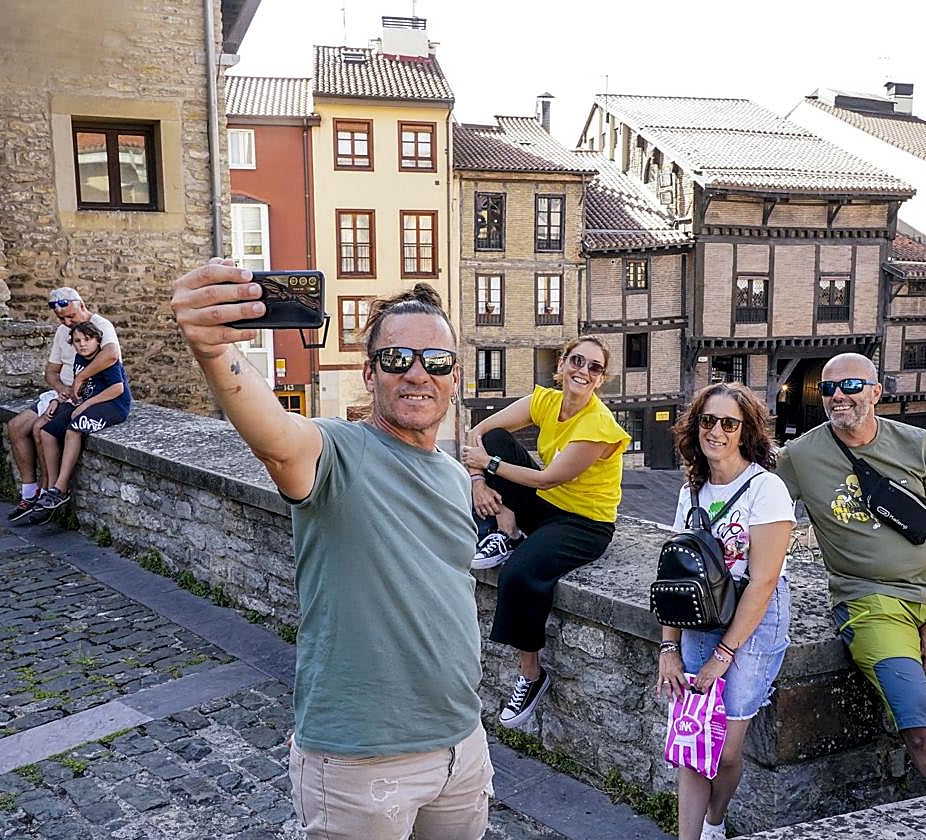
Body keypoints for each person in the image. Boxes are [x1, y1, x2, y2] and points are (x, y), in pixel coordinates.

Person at [171, 260, 492, 840]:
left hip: (460, 745)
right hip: (363, 761)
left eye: (436, 361)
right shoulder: (339, 452)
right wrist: (215, 353)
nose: (417, 374)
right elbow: (277, 441)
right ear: (370, 375)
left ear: (455, 376)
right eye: (397, 360)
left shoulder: (451, 474)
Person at [774, 352, 926, 792]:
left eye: (850, 385)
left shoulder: (919, 445)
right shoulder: (800, 456)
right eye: (828, 389)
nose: (837, 396)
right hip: (869, 603)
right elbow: (762, 512)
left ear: (876, 392)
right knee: (921, 730)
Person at [460, 335, 630, 728]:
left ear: (601, 379)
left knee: (520, 573)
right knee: (499, 439)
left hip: (584, 524)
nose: (583, 371)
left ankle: (531, 676)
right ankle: (507, 527)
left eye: (594, 367)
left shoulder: (598, 426)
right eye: (577, 361)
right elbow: (479, 433)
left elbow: (548, 479)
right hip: (546, 508)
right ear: (562, 364)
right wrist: (478, 481)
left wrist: (490, 467)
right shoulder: (547, 401)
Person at [656, 383, 794, 840]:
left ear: (745, 431)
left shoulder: (765, 488)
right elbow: (677, 580)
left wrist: (725, 654)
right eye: (707, 421)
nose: (716, 431)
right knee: (695, 744)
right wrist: (668, 648)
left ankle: (715, 821)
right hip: (702, 621)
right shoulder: (690, 492)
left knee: (728, 751)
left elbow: (764, 581)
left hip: (754, 626)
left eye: (728, 423)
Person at [6, 287, 120, 522]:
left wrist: (80, 379)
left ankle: (50, 491)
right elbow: (51, 371)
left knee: (41, 428)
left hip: (85, 393)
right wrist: (60, 390)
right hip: (62, 392)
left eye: (71, 316)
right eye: (62, 319)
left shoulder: (101, 326)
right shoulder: (63, 332)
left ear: (82, 306)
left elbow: (112, 355)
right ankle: (30, 491)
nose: (67, 322)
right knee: (16, 426)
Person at [34, 321, 132, 511]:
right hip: (88, 403)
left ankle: (61, 489)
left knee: (74, 429)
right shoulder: (79, 359)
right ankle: (51, 490)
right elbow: (82, 389)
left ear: (98, 340)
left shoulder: (105, 361)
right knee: (47, 432)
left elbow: (117, 389)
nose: (82, 344)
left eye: (88, 339)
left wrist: (85, 405)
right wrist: (60, 399)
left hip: (113, 404)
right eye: (77, 340)